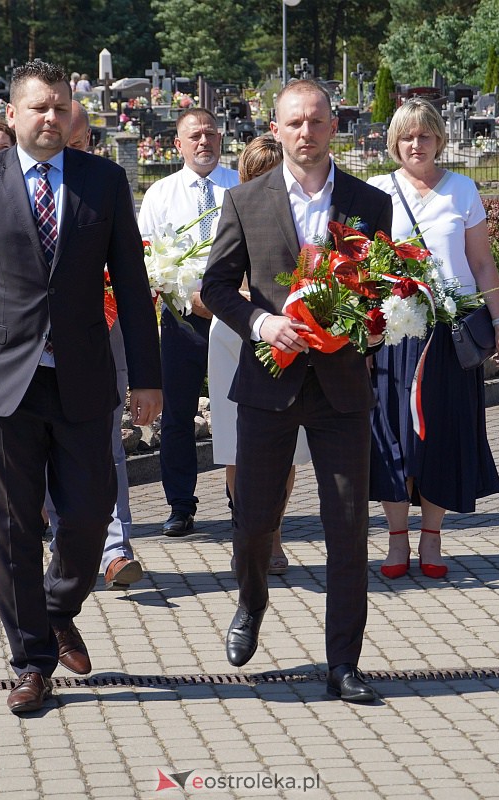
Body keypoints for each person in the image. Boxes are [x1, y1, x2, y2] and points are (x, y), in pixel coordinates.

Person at [0, 60, 162, 715]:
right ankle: (31, 662)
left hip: (84, 382)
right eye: (38, 107)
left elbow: (134, 288)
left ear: (72, 112)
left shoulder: (104, 182)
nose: (50, 117)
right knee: (12, 532)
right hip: (5, 387)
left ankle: (58, 606)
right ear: (14, 113)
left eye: (60, 106)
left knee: (88, 522)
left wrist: (147, 378)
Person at [200, 79, 392, 704]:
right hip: (268, 380)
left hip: (340, 390)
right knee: (256, 519)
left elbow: (383, 287)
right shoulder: (244, 201)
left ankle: (343, 663)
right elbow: (219, 286)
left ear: (334, 128)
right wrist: (263, 322)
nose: (305, 133)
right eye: (294, 123)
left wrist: (366, 317)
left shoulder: (368, 202)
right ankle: (251, 602)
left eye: (316, 122)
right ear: (275, 131)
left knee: (347, 526)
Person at [365, 98, 499, 581]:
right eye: (407, 136)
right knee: (393, 437)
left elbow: (483, 264)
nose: (416, 144)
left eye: (424, 135)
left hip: (450, 335)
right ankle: (395, 540)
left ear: (439, 140)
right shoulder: (377, 191)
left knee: (441, 437)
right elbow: (364, 271)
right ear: (394, 143)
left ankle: (432, 539)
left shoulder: (462, 190)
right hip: (393, 333)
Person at [44, 100, 145, 591]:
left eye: (83, 141)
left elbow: (129, 266)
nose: (75, 150)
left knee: (108, 446)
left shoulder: (106, 183)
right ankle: (64, 545)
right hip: (35, 350)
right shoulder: (22, 186)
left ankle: (116, 546)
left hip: (102, 336)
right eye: (70, 142)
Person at [207, 133, 307, 575]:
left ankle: (274, 534)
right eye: (260, 174)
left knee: (285, 446)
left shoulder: (301, 212)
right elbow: (213, 285)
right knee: (235, 444)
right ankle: (243, 532)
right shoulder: (235, 206)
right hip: (235, 334)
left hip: (290, 335)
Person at [137, 109, 239, 537]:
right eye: (194, 136)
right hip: (182, 319)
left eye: (211, 134)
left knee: (238, 410)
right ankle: (181, 505)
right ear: (177, 144)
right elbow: (147, 256)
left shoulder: (241, 186)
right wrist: (187, 298)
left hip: (237, 317)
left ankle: (243, 501)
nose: (204, 142)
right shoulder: (161, 194)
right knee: (177, 414)